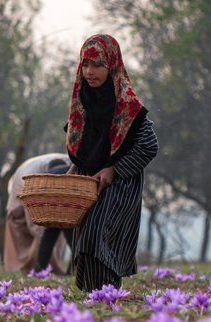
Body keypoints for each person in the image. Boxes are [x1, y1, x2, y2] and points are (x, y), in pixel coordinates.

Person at [64, 34, 159, 292]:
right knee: (85, 239)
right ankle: (92, 296)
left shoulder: (128, 105)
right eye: (85, 64)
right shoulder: (81, 101)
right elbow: (81, 144)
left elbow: (149, 146)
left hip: (119, 185)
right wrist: (74, 167)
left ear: (112, 65)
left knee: (98, 235)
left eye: (97, 65)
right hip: (88, 183)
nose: (89, 71)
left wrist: (114, 169)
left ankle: (106, 293)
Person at [4, 154, 73, 274]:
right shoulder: (71, 162)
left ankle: (41, 269)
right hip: (65, 200)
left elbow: (39, 231)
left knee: (48, 233)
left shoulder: (38, 178)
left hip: (52, 199)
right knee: (69, 236)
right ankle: (68, 271)